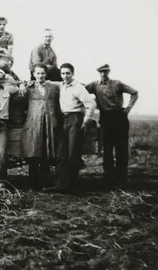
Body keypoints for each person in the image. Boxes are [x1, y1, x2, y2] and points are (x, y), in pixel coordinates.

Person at [44, 63, 96, 193]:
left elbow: (91, 104)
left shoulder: (78, 87)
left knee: (73, 152)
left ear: (73, 74)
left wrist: (85, 121)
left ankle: (73, 185)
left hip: (75, 119)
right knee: (61, 153)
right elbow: (47, 81)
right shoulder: (60, 85)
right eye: (63, 73)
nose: (65, 76)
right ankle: (61, 185)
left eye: (68, 73)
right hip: (63, 119)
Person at [85, 64, 138, 188]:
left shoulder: (117, 84)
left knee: (121, 149)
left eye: (105, 71)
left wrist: (127, 109)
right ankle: (108, 179)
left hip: (119, 117)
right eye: (101, 72)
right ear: (98, 73)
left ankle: (122, 179)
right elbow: (82, 91)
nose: (103, 74)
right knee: (107, 149)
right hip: (105, 118)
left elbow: (134, 93)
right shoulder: (95, 85)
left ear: (108, 71)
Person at [21, 64, 62, 190]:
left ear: (46, 74)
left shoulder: (53, 87)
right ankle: (33, 183)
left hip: (48, 122)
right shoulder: (28, 87)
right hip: (33, 123)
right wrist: (22, 85)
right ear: (34, 74)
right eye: (38, 73)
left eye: (42, 73)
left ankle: (45, 181)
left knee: (46, 151)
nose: (40, 76)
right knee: (33, 151)